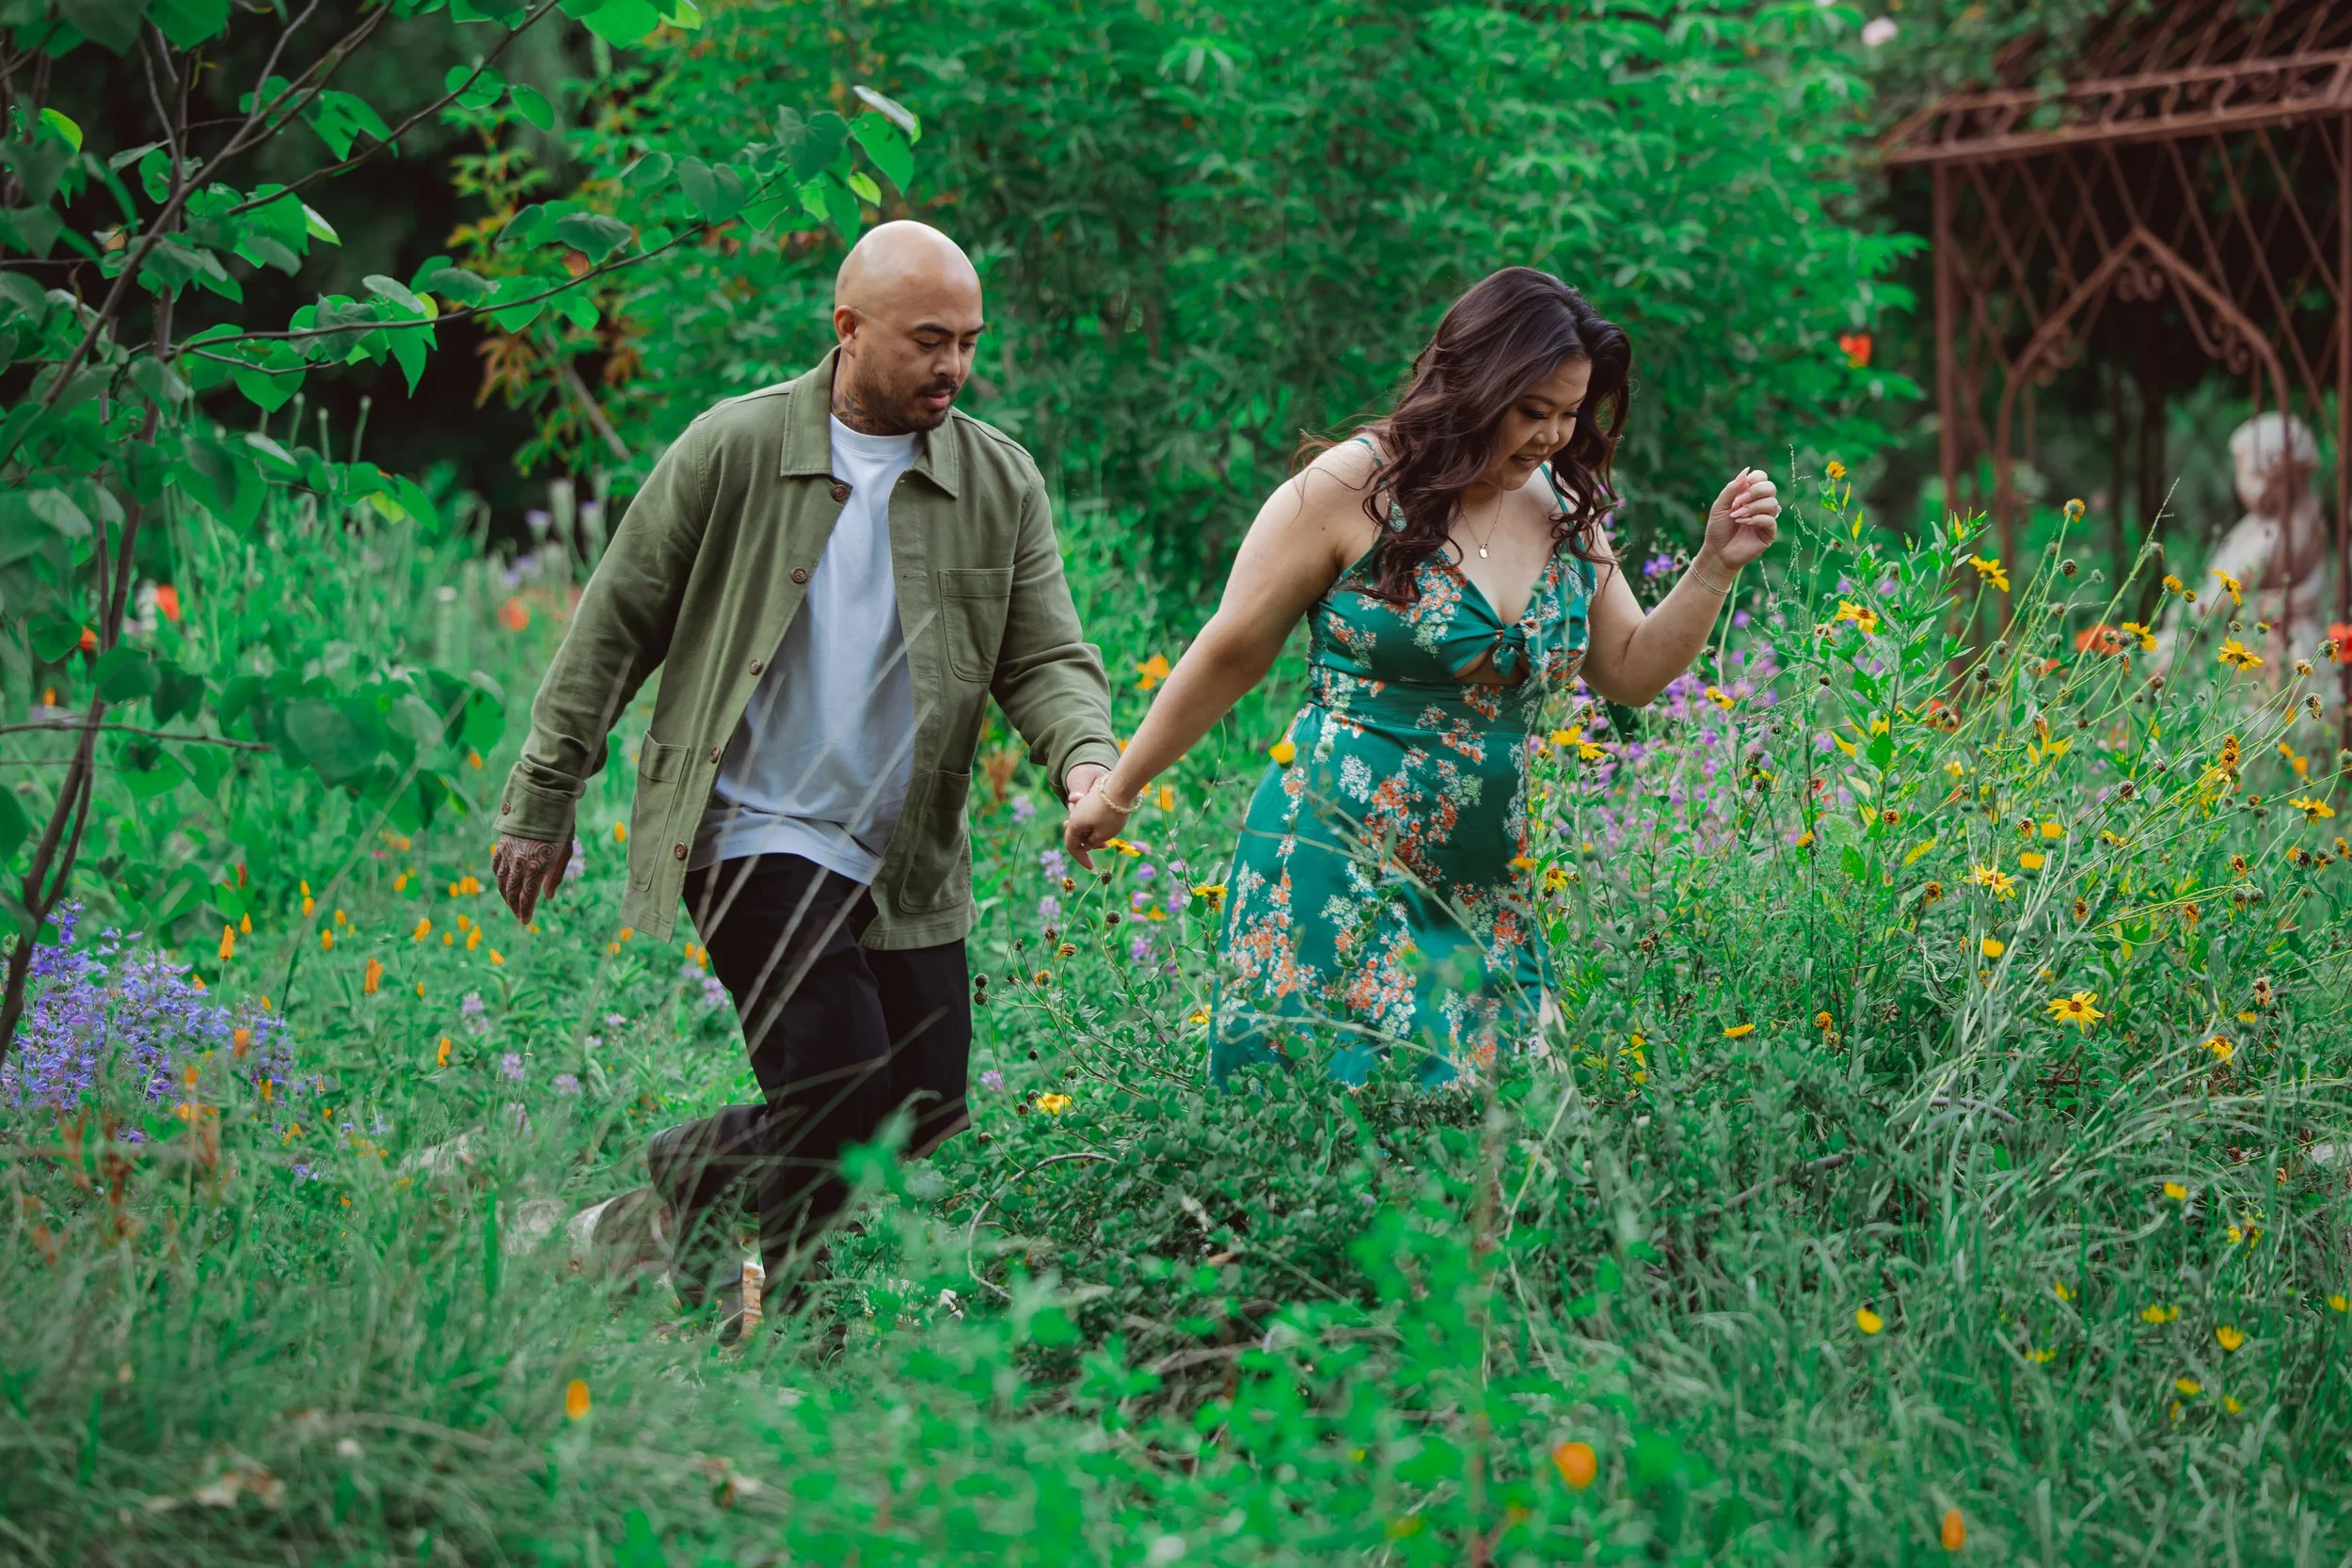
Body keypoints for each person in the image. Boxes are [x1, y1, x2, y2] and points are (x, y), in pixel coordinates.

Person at [491, 221, 1120, 1323]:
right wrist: (545, 796)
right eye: (928, 340)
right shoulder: (733, 448)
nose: (954, 366)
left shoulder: (996, 478)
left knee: (920, 1110)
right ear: (848, 329)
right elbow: (616, 623)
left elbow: (1044, 656)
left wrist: (1085, 760)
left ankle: (690, 1172)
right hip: (750, 825)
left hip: (901, 848)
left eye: (969, 342)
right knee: (835, 1085)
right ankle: (793, 1334)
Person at [1063, 267, 1779, 1086]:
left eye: (1570, 413)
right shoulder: (1350, 487)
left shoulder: (1560, 502)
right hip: (1333, 872)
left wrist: (1715, 564)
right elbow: (1231, 651)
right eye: (1532, 410)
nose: (1552, 435)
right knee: (1331, 1132)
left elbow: (1629, 670)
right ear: (1473, 381)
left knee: (1511, 1132)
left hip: (1484, 890)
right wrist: (1119, 790)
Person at [2152, 411, 2336, 698]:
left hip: (2262, 642)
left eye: (2243, 471)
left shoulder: (2273, 536)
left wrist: (2184, 621)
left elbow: (2220, 597)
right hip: (2283, 634)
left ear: (2272, 476)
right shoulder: (2303, 520)